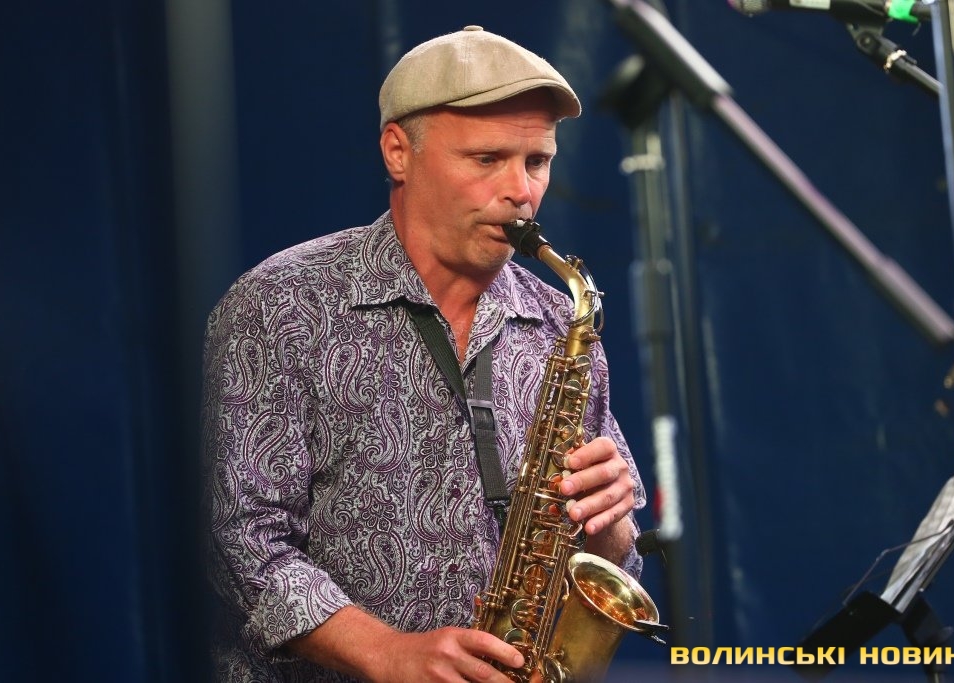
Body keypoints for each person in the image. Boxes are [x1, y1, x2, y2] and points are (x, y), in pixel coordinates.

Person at [202, 25, 647, 682]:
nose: (520, 190)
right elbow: (237, 540)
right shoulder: (280, 306)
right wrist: (387, 651)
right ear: (398, 152)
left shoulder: (561, 320)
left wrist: (609, 527)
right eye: (486, 158)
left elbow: (610, 564)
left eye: (536, 161)